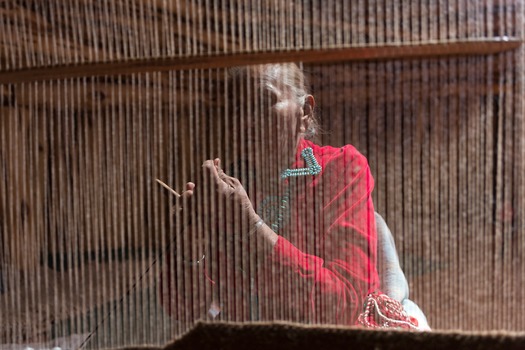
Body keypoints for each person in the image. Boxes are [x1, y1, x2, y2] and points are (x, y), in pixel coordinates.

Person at [159, 63, 430, 330]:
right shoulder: (227, 186)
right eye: (237, 107)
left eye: (264, 101)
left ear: (305, 112)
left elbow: (346, 303)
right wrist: (190, 243)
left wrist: (251, 228)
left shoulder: (342, 169)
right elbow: (185, 310)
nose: (245, 121)